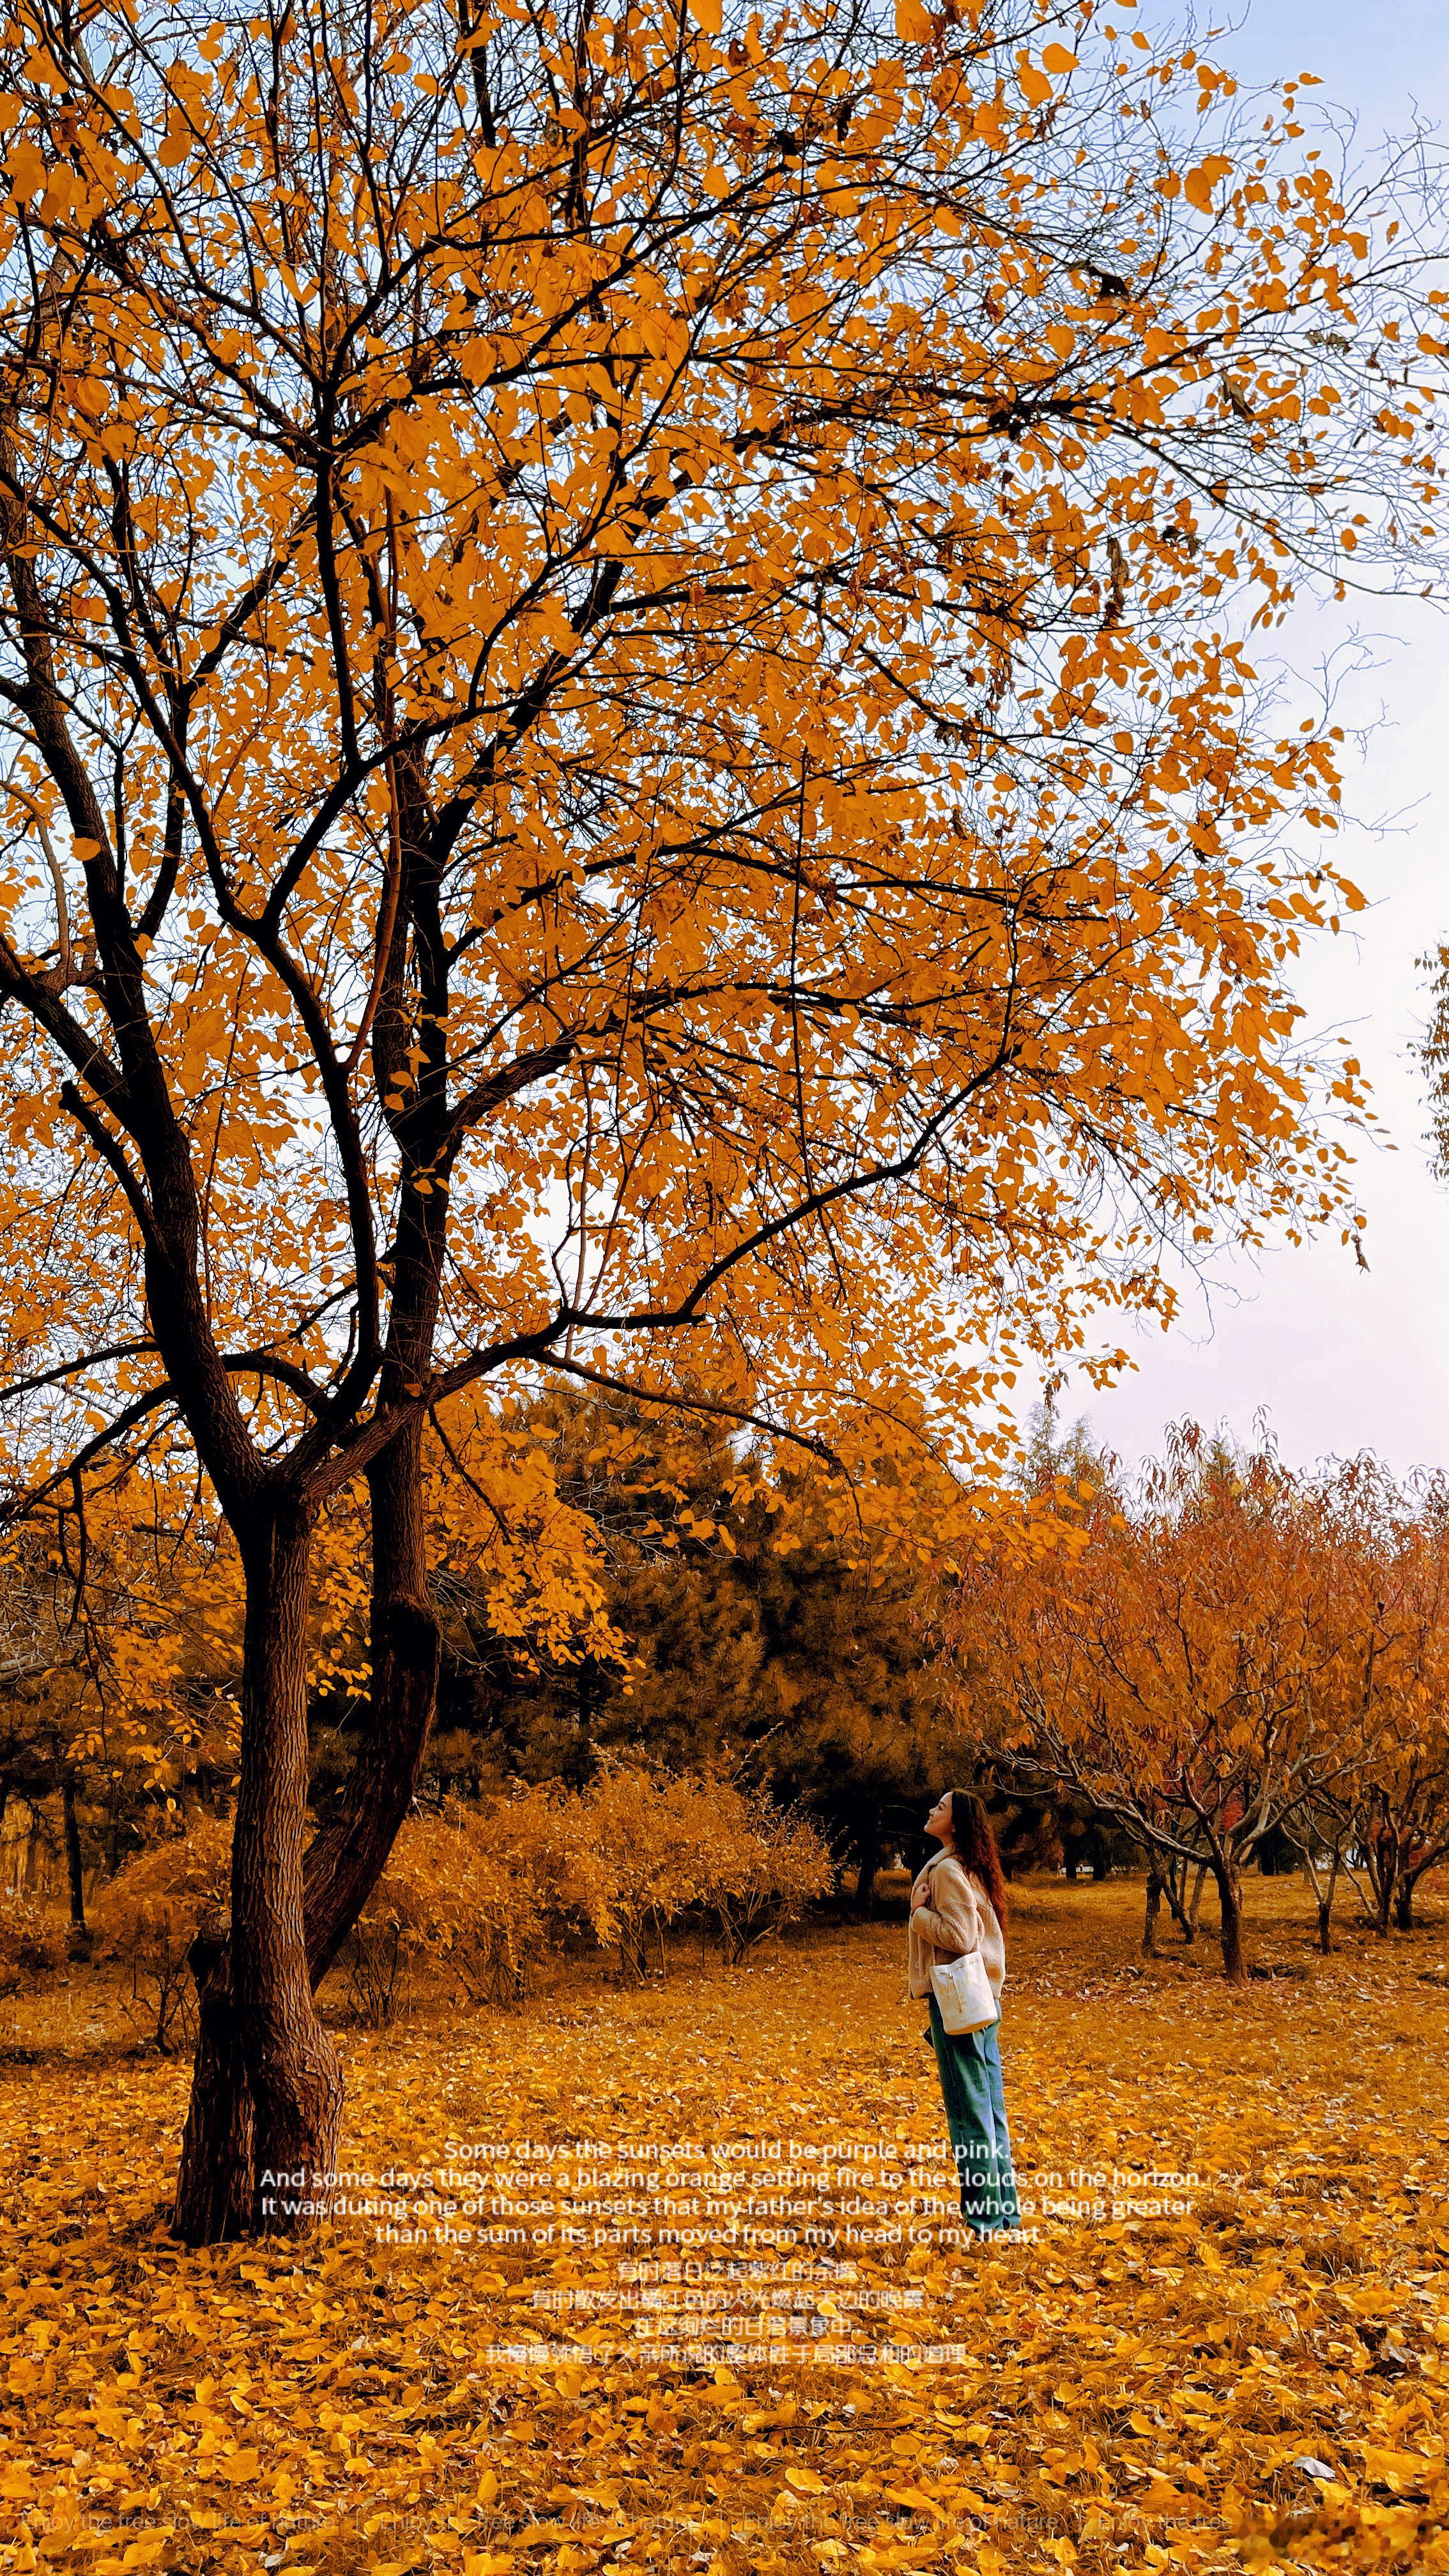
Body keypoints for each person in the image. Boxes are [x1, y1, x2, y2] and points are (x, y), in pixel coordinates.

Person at [908, 1788, 1021, 2237]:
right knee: (990, 2112)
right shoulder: (966, 1868)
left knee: (969, 2115)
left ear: (954, 1824)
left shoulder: (949, 1872)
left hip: (958, 2000)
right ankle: (1005, 2215)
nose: (931, 1810)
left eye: (940, 1807)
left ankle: (985, 2222)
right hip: (983, 2000)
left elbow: (961, 1937)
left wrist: (918, 1914)